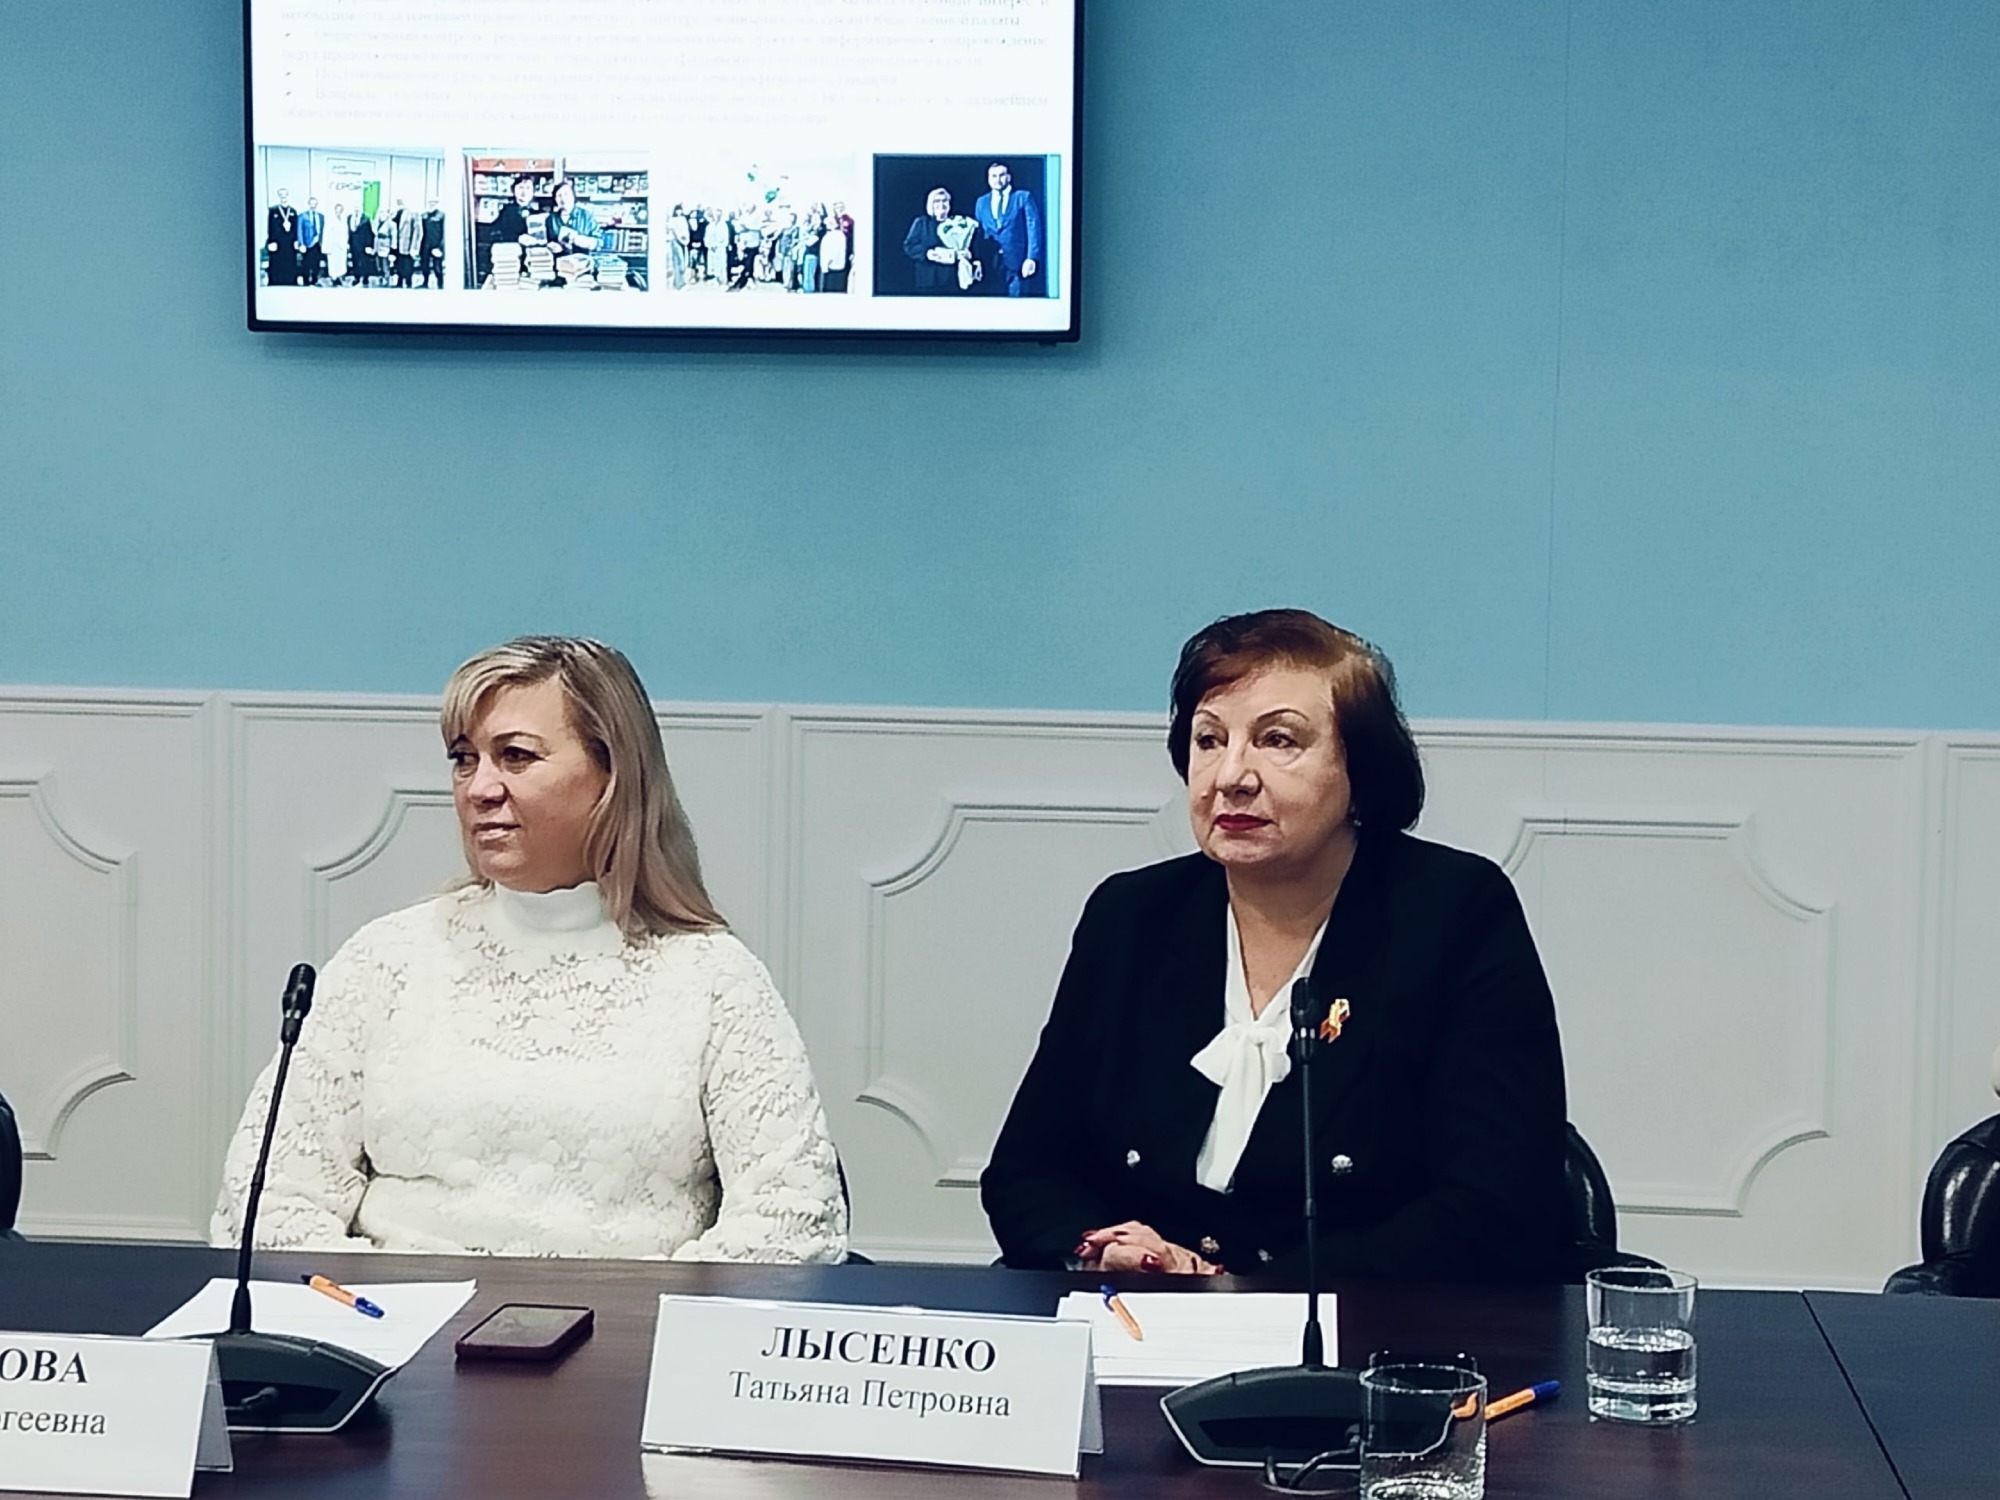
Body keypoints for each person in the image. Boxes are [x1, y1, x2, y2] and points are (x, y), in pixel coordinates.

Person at [212, 636, 848, 1262]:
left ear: (612, 776)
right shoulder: (385, 959)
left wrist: (642, 1315)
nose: (479, 788)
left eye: (515, 756)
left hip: (631, 1325)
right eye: (465, 759)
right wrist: (372, 1306)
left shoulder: (713, 977)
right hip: (391, 1321)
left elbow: (790, 1224)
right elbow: (265, 1207)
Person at [981, 610, 1569, 1281]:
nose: (1230, 776)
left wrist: (1239, 1295)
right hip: (1142, 1321)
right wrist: (1106, 1250)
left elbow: (1494, 1211)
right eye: (1209, 740)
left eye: (1278, 740)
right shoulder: (1131, 916)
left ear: (1361, 768)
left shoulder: (1454, 912)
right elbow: (1027, 1172)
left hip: (1367, 1332)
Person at [972, 162, 1043, 297]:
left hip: (1017, 263)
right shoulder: (981, 202)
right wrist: (976, 260)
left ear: (1009, 177)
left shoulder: (1023, 197)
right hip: (990, 265)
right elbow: (978, 234)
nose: (997, 180)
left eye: (1001, 175)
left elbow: (1033, 229)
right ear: (988, 179)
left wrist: (1031, 258)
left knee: (1017, 304)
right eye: (993, 176)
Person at [903, 187, 980, 294]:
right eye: (937, 201)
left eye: (945, 201)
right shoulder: (921, 223)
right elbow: (909, 246)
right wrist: (927, 253)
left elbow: (973, 246)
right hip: (928, 280)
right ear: (931, 204)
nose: (941, 204)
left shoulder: (958, 223)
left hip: (953, 280)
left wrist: (969, 255)